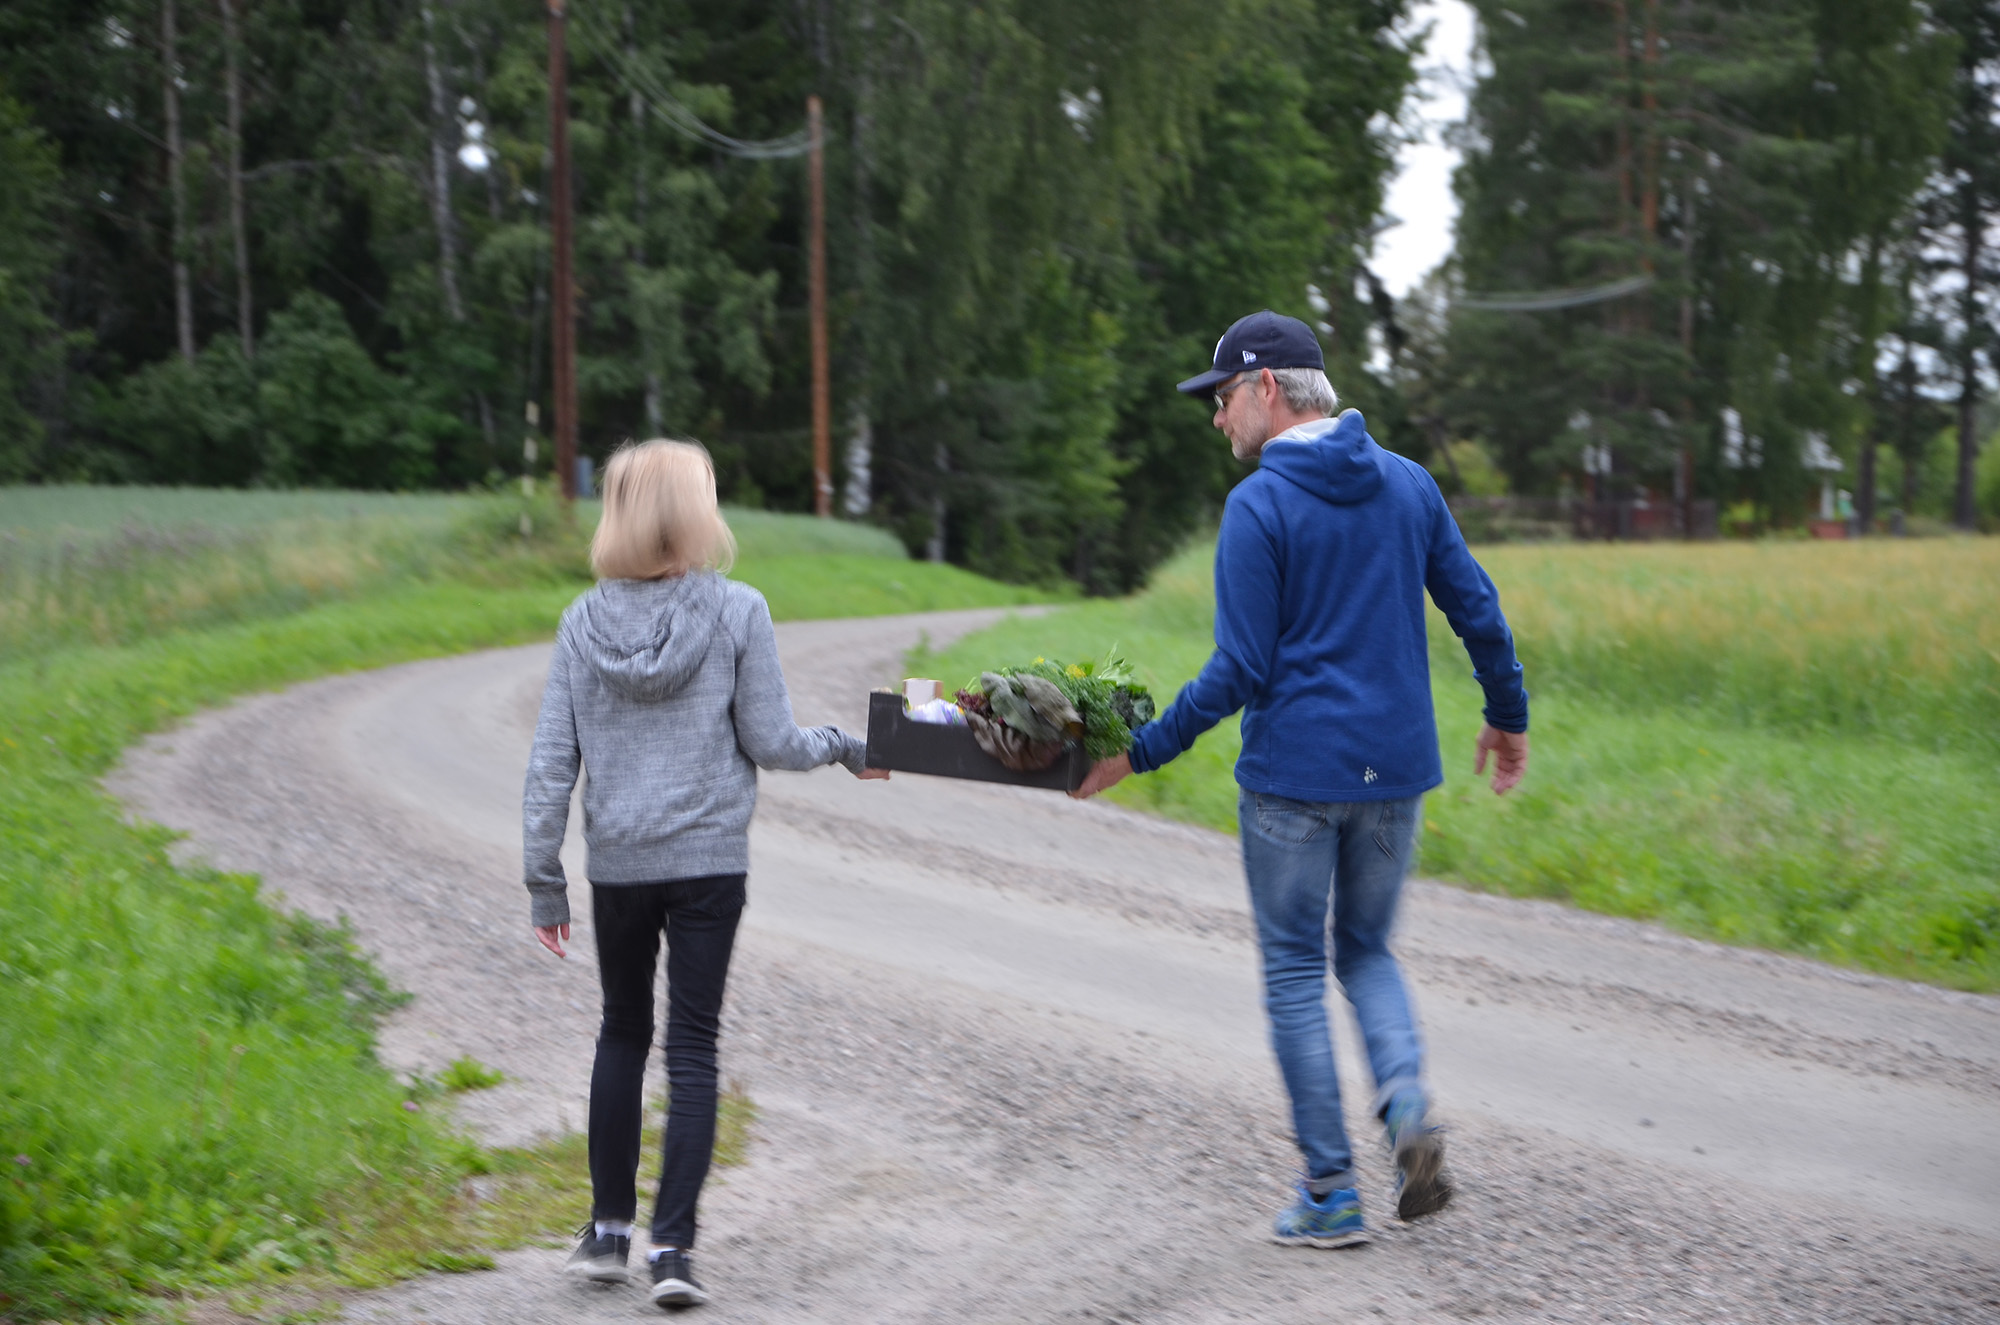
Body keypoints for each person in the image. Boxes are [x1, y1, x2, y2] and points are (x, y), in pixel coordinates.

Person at [1072, 310, 1529, 1248]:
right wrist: (1507, 714)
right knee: (1366, 952)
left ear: (1268, 388)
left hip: (1291, 780)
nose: (1216, 420)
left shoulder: (1260, 508)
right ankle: (1405, 1104)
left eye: (1222, 397)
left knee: (1293, 969)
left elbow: (1237, 669)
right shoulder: (1408, 484)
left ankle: (1330, 1192)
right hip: (1393, 773)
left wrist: (1138, 750)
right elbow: (1477, 608)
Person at [522, 439, 887, 1308]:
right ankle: (674, 1252)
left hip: (620, 865)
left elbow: (549, 765)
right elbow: (772, 741)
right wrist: (846, 747)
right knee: (692, 1047)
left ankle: (609, 1233)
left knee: (621, 1032)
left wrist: (545, 879)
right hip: (710, 865)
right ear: (696, 512)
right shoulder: (738, 611)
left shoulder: (582, 621)